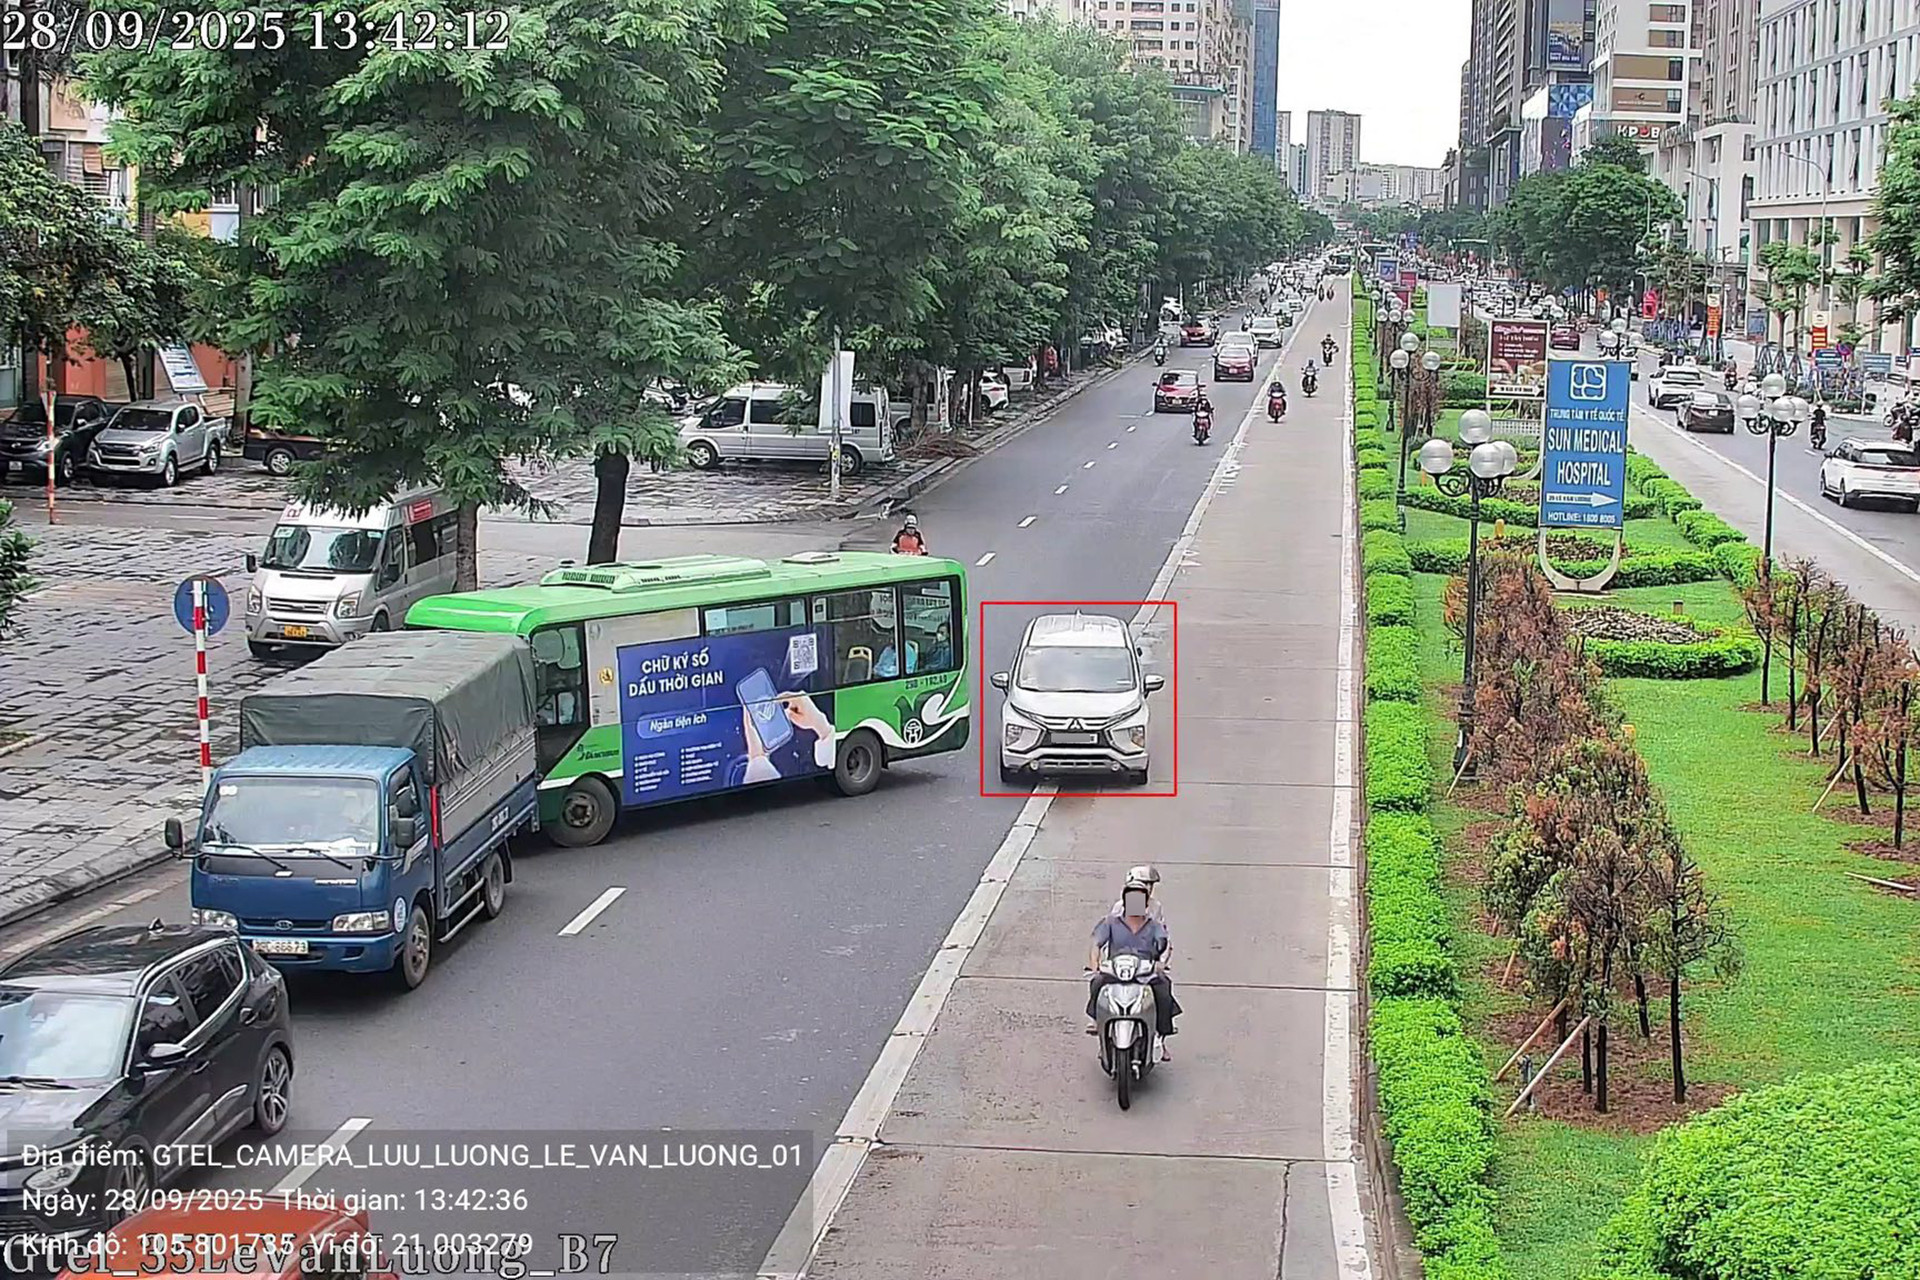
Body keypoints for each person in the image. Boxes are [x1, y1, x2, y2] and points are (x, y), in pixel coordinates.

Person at [1087, 871, 1181, 1058]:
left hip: (1145, 971)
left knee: (1163, 987)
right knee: (1096, 983)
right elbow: (1096, 943)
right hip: (1116, 971)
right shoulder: (1111, 922)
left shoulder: (1154, 925)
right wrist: (1095, 964)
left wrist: (1161, 963)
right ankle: (1100, 1024)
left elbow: (1166, 945)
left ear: (1146, 904)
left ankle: (1160, 1036)